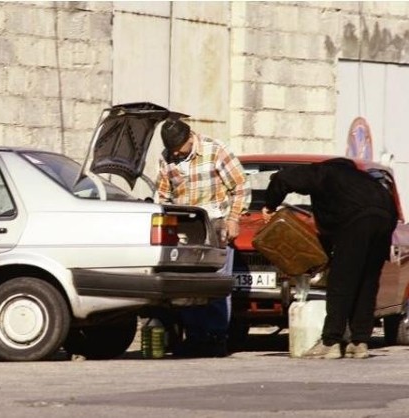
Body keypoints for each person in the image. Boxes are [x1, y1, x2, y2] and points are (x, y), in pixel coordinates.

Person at [262, 157, 398, 359]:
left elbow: (283, 179)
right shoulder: (362, 179)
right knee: (367, 282)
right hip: (385, 220)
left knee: (341, 282)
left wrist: (270, 206)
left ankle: (331, 342)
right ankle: (359, 342)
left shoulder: (324, 172)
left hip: (357, 221)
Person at [155, 118, 250, 357]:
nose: (176, 153)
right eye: (172, 150)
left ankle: (216, 337)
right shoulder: (167, 157)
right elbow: (163, 194)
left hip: (215, 223)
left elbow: (240, 185)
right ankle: (195, 336)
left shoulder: (215, 150)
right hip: (184, 227)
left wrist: (234, 219)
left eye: (179, 148)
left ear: (190, 138)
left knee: (216, 283)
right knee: (187, 283)